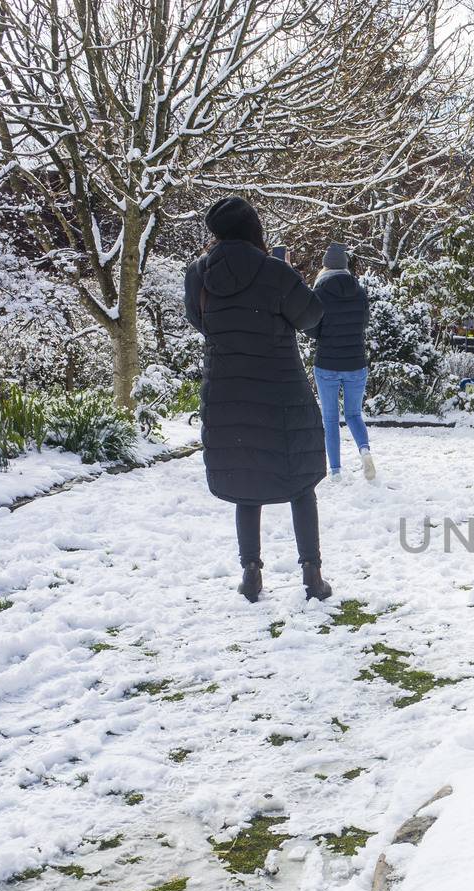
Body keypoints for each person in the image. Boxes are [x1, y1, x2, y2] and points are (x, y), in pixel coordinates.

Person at [184, 195, 333, 602]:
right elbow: (310, 316)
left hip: (228, 391)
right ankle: (312, 574)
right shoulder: (274, 272)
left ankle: (251, 571)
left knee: (244, 478)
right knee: (301, 482)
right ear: (254, 228)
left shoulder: (198, 275)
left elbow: (199, 322)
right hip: (281, 390)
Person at [309, 244, 375, 481]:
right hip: (356, 363)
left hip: (327, 363)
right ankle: (364, 450)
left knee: (330, 418)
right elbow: (363, 324)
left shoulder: (320, 292)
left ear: (325, 266)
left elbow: (311, 328)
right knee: (354, 414)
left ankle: (336, 471)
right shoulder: (359, 291)